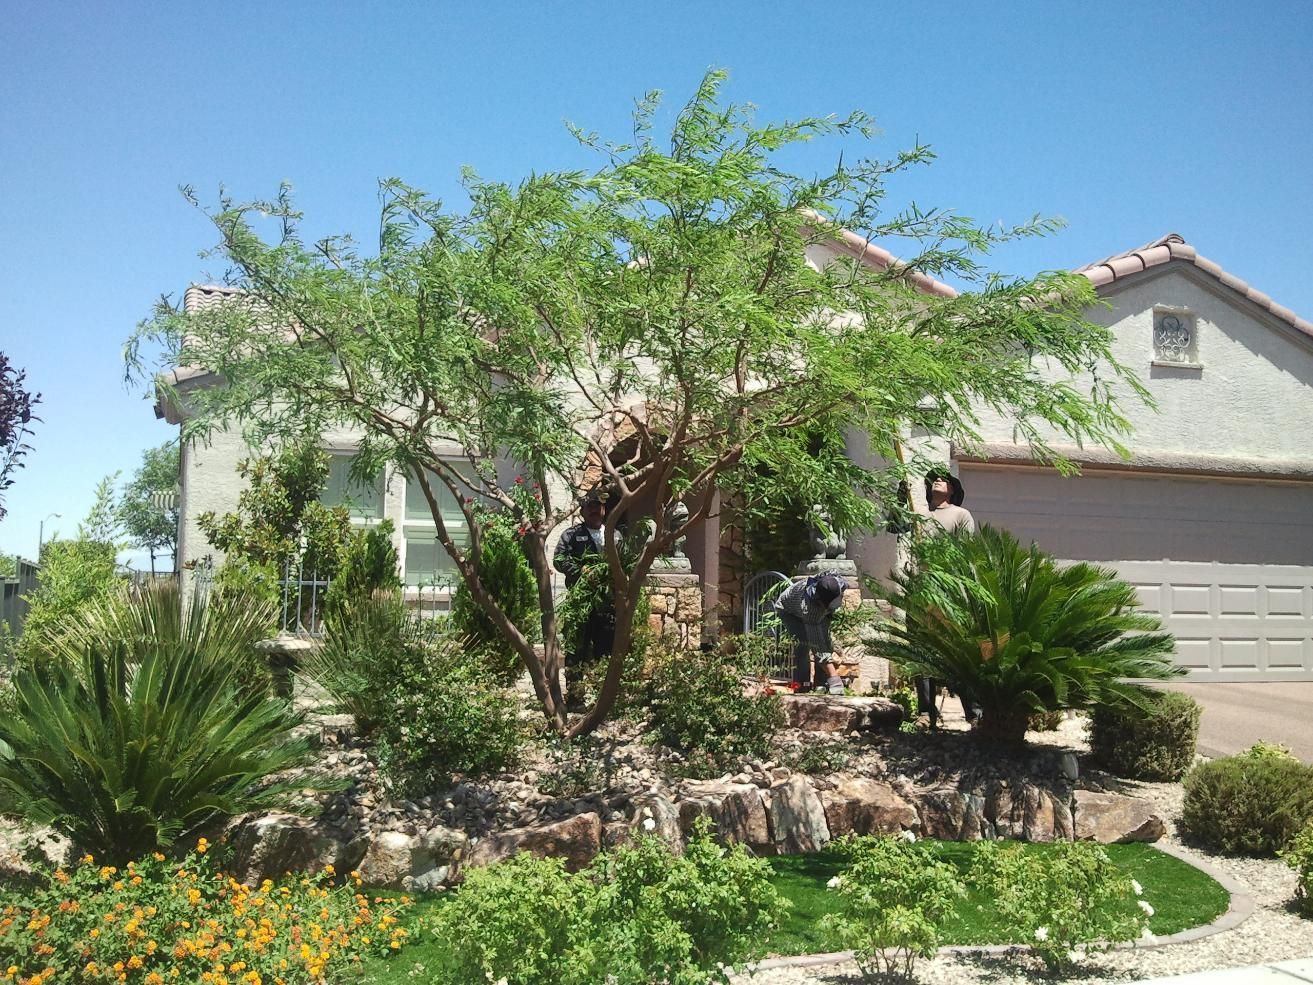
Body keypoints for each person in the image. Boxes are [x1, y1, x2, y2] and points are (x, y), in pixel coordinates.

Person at [912, 468, 980, 724]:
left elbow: (964, 551)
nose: (939, 481)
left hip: (949, 590)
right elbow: (896, 527)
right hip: (922, 592)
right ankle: (925, 712)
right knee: (921, 651)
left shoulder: (960, 515)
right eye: (935, 479)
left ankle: (974, 713)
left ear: (952, 490)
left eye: (945, 480)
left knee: (958, 652)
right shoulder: (918, 515)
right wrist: (899, 502)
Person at [553, 488, 616, 710]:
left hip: (607, 605)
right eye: (589, 507)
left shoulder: (614, 535)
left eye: (597, 506)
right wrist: (581, 571)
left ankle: (603, 701)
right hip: (580, 603)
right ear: (582, 511)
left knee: (605, 651)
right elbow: (559, 559)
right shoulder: (571, 535)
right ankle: (575, 699)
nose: (594, 511)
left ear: (604, 509)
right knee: (576, 650)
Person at [773, 573, 849, 695]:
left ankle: (822, 684)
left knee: (827, 643)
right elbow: (818, 647)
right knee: (803, 645)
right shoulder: (811, 609)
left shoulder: (838, 583)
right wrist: (835, 678)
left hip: (821, 610)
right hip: (789, 611)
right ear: (821, 601)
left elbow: (823, 644)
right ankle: (802, 685)